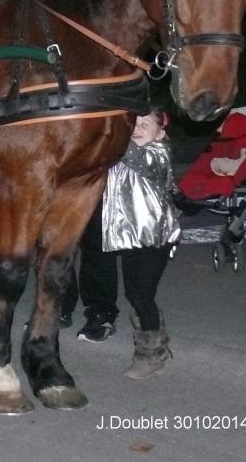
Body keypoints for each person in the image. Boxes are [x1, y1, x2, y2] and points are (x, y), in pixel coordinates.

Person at [63, 107, 179, 379]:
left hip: (153, 238)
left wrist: (106, 128)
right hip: (128, 235)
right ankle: (155, 339)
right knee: (137, 294)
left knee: (140, 295)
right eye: (133, 123)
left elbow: (131, 156)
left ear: (161, 131)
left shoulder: (158, 154)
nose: (136, 128)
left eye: (145, 124)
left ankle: (150, 353)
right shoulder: (117, 155)